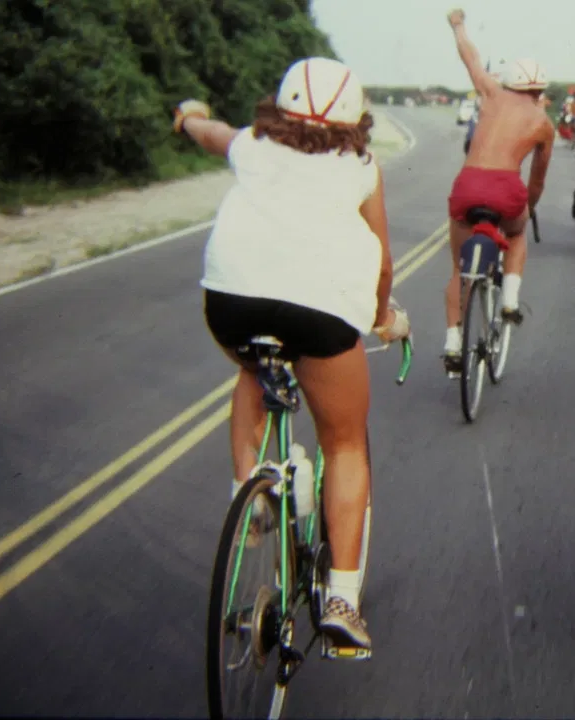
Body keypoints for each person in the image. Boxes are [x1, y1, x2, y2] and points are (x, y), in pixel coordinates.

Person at [173, 56, 411, 649]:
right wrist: (383, 315)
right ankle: (342, 601)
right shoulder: (361, 165)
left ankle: (248, 489)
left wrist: (189, 116)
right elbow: (382, 260)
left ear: (280, 106)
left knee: (254, 366)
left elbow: (208, 133)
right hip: (321, 313)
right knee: (346, 441)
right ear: (358, 118)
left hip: (229, 302)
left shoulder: (252, 146)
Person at [442, 9, 553, 373]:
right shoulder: (543, 124)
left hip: (468, 183)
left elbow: (470, 57)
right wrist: (528, 207)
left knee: (460, 270)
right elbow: (536, 180)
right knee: (517, 231)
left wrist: (458, 25)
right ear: (539, 91)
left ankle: (453, 341)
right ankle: (509, 298)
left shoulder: (490, 91)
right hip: (506, 190)